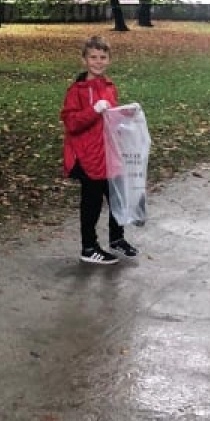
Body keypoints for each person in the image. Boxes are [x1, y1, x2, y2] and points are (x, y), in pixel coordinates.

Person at [60, 34, 139, 266]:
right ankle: (89, 247)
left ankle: (117, 239)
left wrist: (127, 114)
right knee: (92, 203)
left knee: (117, 197)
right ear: (84, 59)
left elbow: (111, 117)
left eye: (102, 57)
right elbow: (71, 123)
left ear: (109, 60)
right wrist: (92, 110)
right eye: (92, 57)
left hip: (108, 153)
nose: (98, 61)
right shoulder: (77, 90)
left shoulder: (109, 86)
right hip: (87, 156)